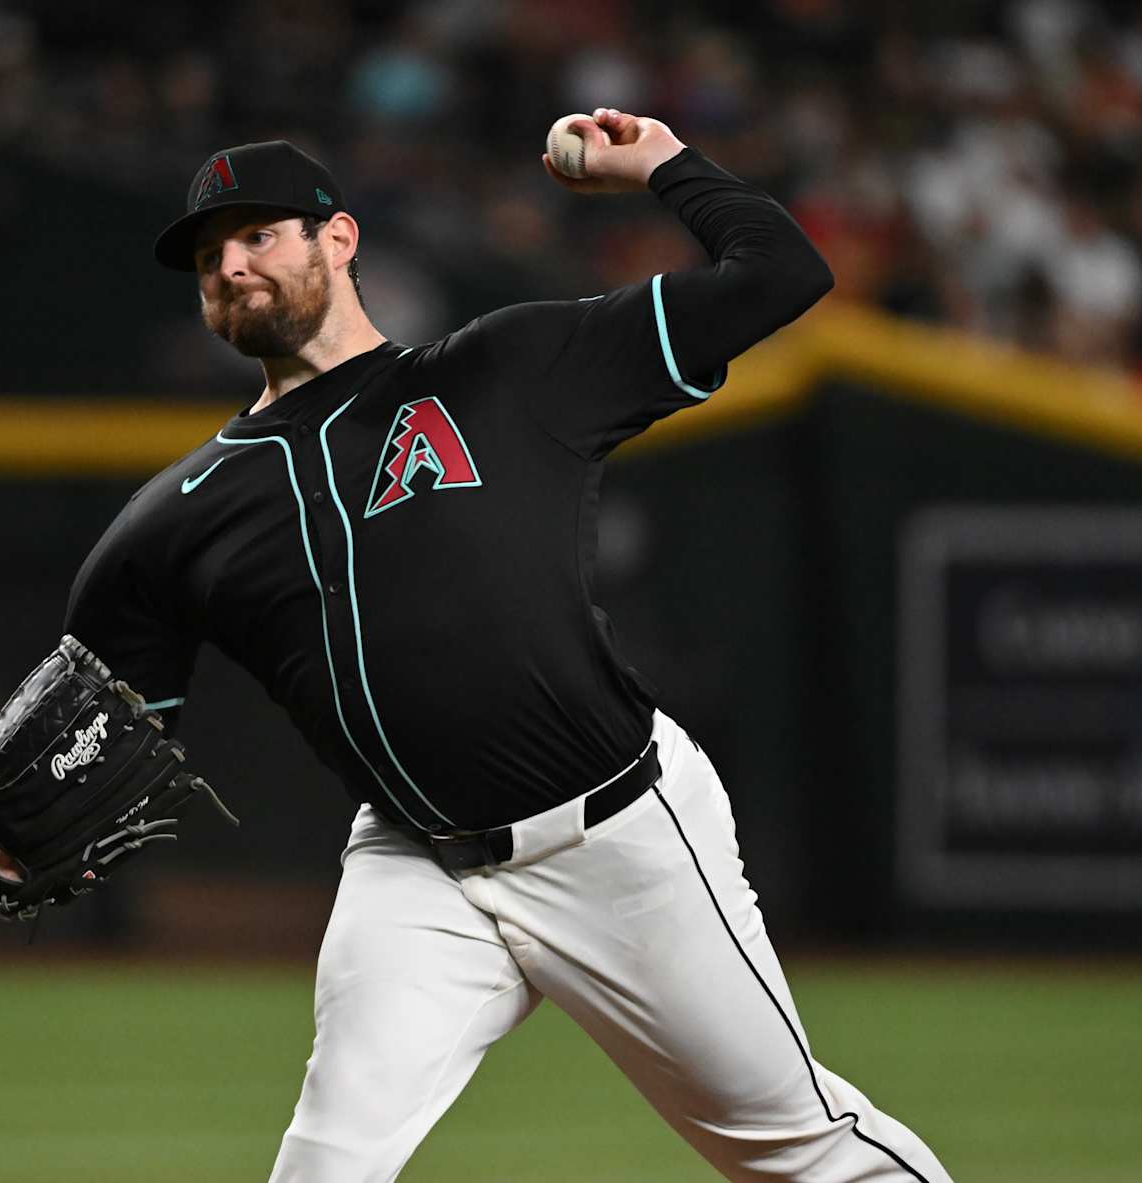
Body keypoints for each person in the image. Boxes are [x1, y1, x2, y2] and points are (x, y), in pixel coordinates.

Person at [55, 109, 953, 1181]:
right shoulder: (178, 515)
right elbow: (111, 708)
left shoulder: (512, 366)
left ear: (338, 240)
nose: (231, 263)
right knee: (325, 1164)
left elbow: (780, 275)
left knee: (798, 1149)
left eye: (257, 234)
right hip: (416, 864)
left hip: (617, 836)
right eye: (208, 255)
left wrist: (665, 164)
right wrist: (25, 817)